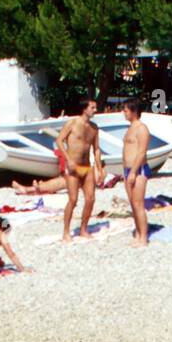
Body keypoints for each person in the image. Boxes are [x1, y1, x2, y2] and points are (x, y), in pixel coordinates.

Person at [57, 99, 103, 243]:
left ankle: (83, 229)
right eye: (92, 107)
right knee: (73, 199)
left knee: (90, 199)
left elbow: (96, 149)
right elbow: (59, 140)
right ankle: (66, 231)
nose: (95, 110)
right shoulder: (72, 123)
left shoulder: (94, 128)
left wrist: (100, 169)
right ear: (84, 109)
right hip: (73, 166)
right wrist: (67, 159)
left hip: (86, 166)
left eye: (95, 107)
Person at [121, 98, 151, 246]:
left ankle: (143, 237)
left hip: (138, 170)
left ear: (134, 111)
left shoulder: (141, 129)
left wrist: (133, 171)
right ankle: (138, 233)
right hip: (127, 170)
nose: (124, 113)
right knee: (132, 204)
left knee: (138, 204)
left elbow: (141, 152)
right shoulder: (130, 128)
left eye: (126, 110)